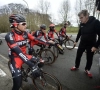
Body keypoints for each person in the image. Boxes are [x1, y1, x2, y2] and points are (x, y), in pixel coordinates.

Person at [5, 14, 49, 90]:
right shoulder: (9, 36)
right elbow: (19, 53)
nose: (26, 25)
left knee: (41, 62)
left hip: (24, 55)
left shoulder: (25, 33)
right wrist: (32, 65)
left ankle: (30, 74)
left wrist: (49, 42)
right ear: (15, 25)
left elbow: (35, 39)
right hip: (15, 58)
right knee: (17, 85)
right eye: (23, 24)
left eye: (26, 23)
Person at [70, 10, 100, 78]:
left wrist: (96, 46)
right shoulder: (81, 24)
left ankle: (87, 69)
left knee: (89, 58)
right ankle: (76, 66)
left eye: (81, 17)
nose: (80, 20)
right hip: (82, 43)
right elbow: (79, 33)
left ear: (87, 16)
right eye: (79, 18)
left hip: (91, 44)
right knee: (78, 55)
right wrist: (76, 41)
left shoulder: (95, 22)